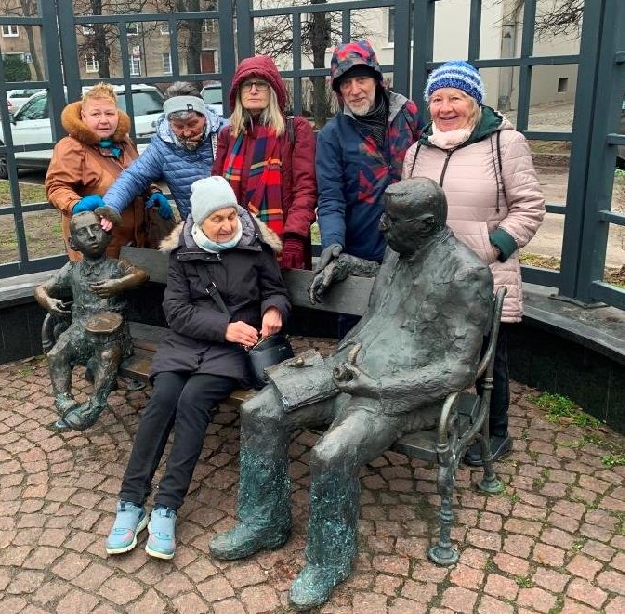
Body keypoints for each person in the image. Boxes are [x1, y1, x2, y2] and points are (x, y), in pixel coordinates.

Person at [209, 177, 493, 610]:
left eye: (392, 220)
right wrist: (345, 266)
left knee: (332, 453)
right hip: (349, 367)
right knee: (260, 412)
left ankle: (329, 562)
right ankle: (264, 521)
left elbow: (459, 370)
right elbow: (391, 282)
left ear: (426, 223)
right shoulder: (402, 247)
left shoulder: (467, 274)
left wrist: (378, 388)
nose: (381, 226)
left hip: (400, 393)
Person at [104, 176, 291, 561]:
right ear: (199, 220)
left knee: (192, 401)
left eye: (231, 216)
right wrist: (223, 326)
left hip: (233, 352)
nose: (226, 225)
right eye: (216, 219)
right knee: (163, 399)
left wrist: (274, 309)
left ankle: (166, 506)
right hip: (186, 344)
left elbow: (275, 290)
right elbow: (175, 311)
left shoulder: (255, 247)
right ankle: (131, 502)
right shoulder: (183, 253)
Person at [402, 60, 545, 466]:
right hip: (432, 274)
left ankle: (495, 433)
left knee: (487, 359)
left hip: (484, 273)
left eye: (456, 98)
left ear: (475, 101)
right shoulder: (417, 151)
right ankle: (438, 419)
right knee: (434, 351)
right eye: (437, 99)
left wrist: (490, 248)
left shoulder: (505, 144)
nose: (445, 108)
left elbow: (530, 206)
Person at [313, 39, 422, 334]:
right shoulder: (332, 134)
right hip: (361, 246)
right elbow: (330, 196)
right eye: (345, 83)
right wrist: (332, 241)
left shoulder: (408, 115)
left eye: (361, 79)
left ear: (376, 79)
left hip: (409, 245)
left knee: (406, 330)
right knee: (356, 332)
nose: (354, 90)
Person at [34, 210, 149, 430]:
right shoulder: (72, 269)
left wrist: (119, 284)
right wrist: (48, 302)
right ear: (73, 243)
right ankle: (65, 403)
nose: (91, 236)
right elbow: (41, 289)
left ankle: (94, 406)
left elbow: (141, 276)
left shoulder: (116, 267)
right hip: (79, 330)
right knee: (57, 354)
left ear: (108, 234)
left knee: (107, 356)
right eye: (82, 232)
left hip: (113, 337)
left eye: (95, 228)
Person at [212, 55, 316, 270]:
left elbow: (305, 188)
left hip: (283, 243)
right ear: (238, 92)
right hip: (235, 244)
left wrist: (294, 236)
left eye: (261, 84)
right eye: (247, 85)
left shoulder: (295, 130)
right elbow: (216, 190)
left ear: (273, 90)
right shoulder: (228, 135)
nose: (253, 90)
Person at [45, 83, 149, 260]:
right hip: (97, 243)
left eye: (109, 113)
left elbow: (140, 174)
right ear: (83, 116)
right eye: (95, 114)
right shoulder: (71, 147)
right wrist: (76, 205)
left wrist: (153, 191)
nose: (104, 120)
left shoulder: (125, 143)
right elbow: (56, 187)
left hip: (136, 242)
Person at [101, 81, 225, 224]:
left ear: (204, 115)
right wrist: (110, 207)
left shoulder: (226, 133)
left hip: (236, 221)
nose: (186, 132)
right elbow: (134, 177)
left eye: (193, 124)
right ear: (169, 122)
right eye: (178, 126)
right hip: (197, 227)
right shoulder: (162, 146)